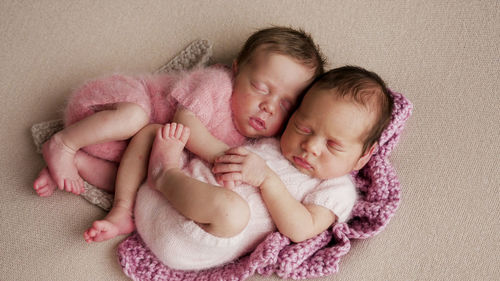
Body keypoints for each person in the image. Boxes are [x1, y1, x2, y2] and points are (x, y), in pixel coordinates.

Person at [31, 27, 325, 241]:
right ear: (237, 71)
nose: (268, 107)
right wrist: (223, 156)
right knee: (136, 117)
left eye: (285, 104)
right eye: (261, 88)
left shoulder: (258, 140)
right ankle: (63, 144)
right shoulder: (218, 84)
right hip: (112, 107)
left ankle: (86, 177)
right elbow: (187, 125)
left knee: (134, 179)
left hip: (123, 147)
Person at [135, 65, 394, 270]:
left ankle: (162, 174)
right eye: (303, 128)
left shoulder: (337, 189)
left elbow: (301, 229)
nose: (311, 146)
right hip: (158, 202)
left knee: (232, 211)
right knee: (156, 133)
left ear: (363, 157)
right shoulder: (275, 143)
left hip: (188, 239)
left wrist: (267, 180)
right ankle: (124, 205)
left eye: (333, 145)